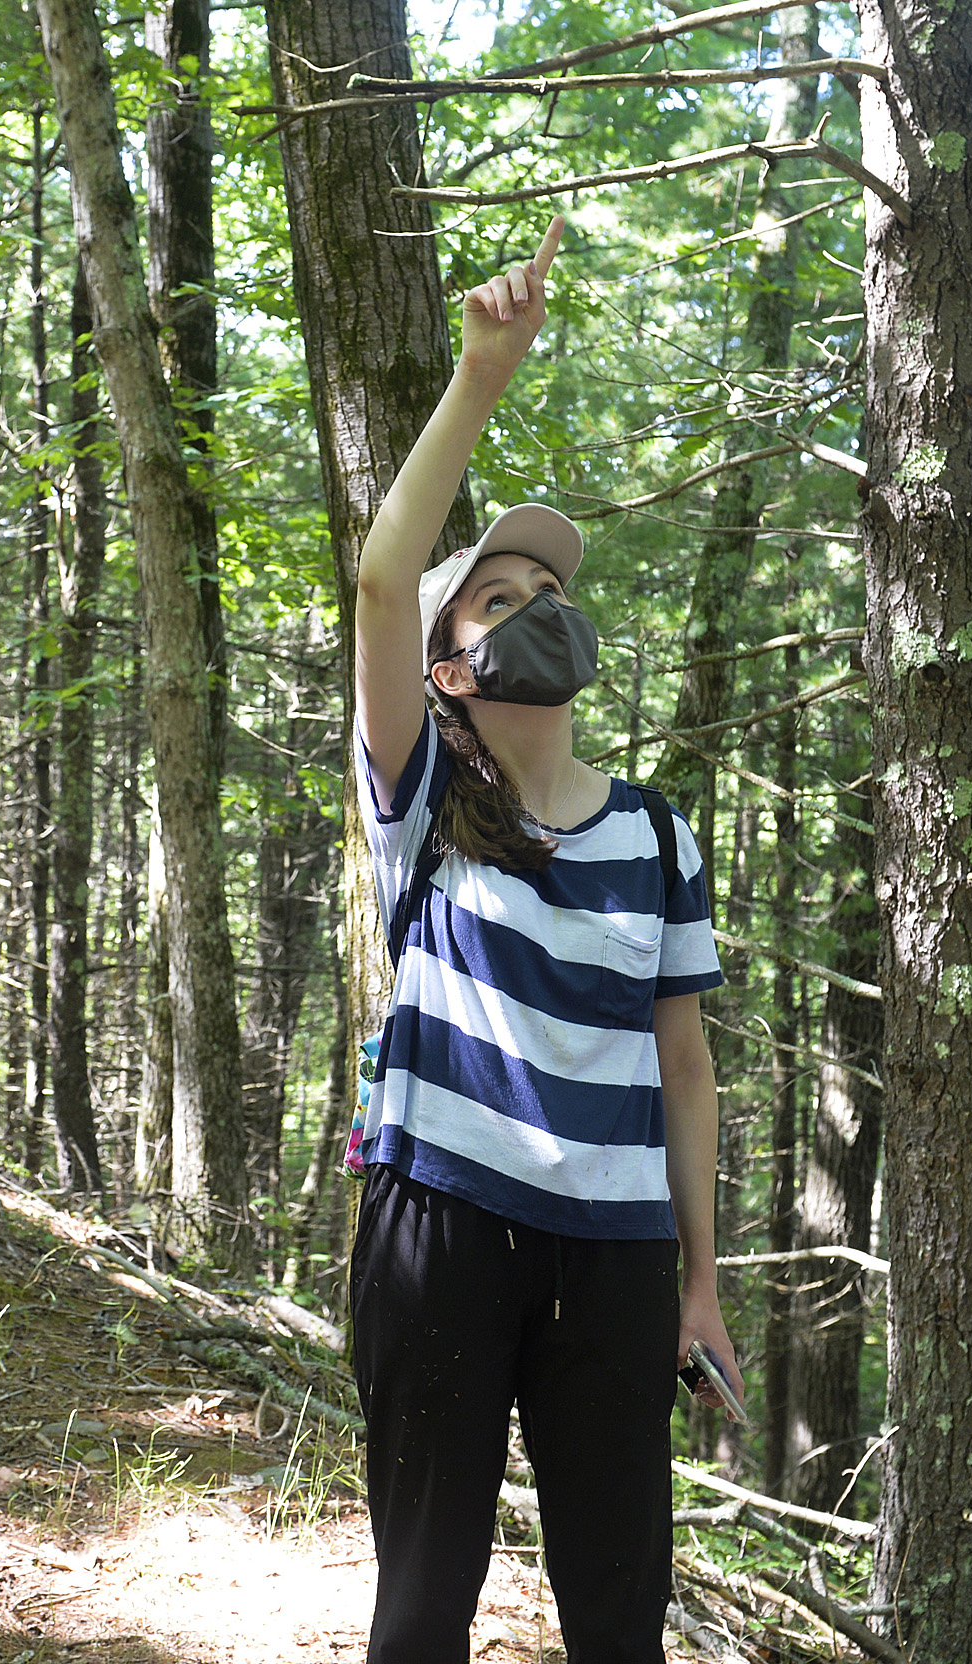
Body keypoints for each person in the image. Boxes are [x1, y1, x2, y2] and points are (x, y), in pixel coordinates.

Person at [347, 218, 741, 1664]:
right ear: (451, 665)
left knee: (619, 1614)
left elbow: (684, 1072)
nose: (532, 611)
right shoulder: (425, 796)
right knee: (423, 1607)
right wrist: (479, 383)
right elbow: (384, 583)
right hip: (439, 1228)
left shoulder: (657, 833)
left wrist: (701, 1283)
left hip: (623, 1259)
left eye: (544, 593)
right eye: (497, 599)